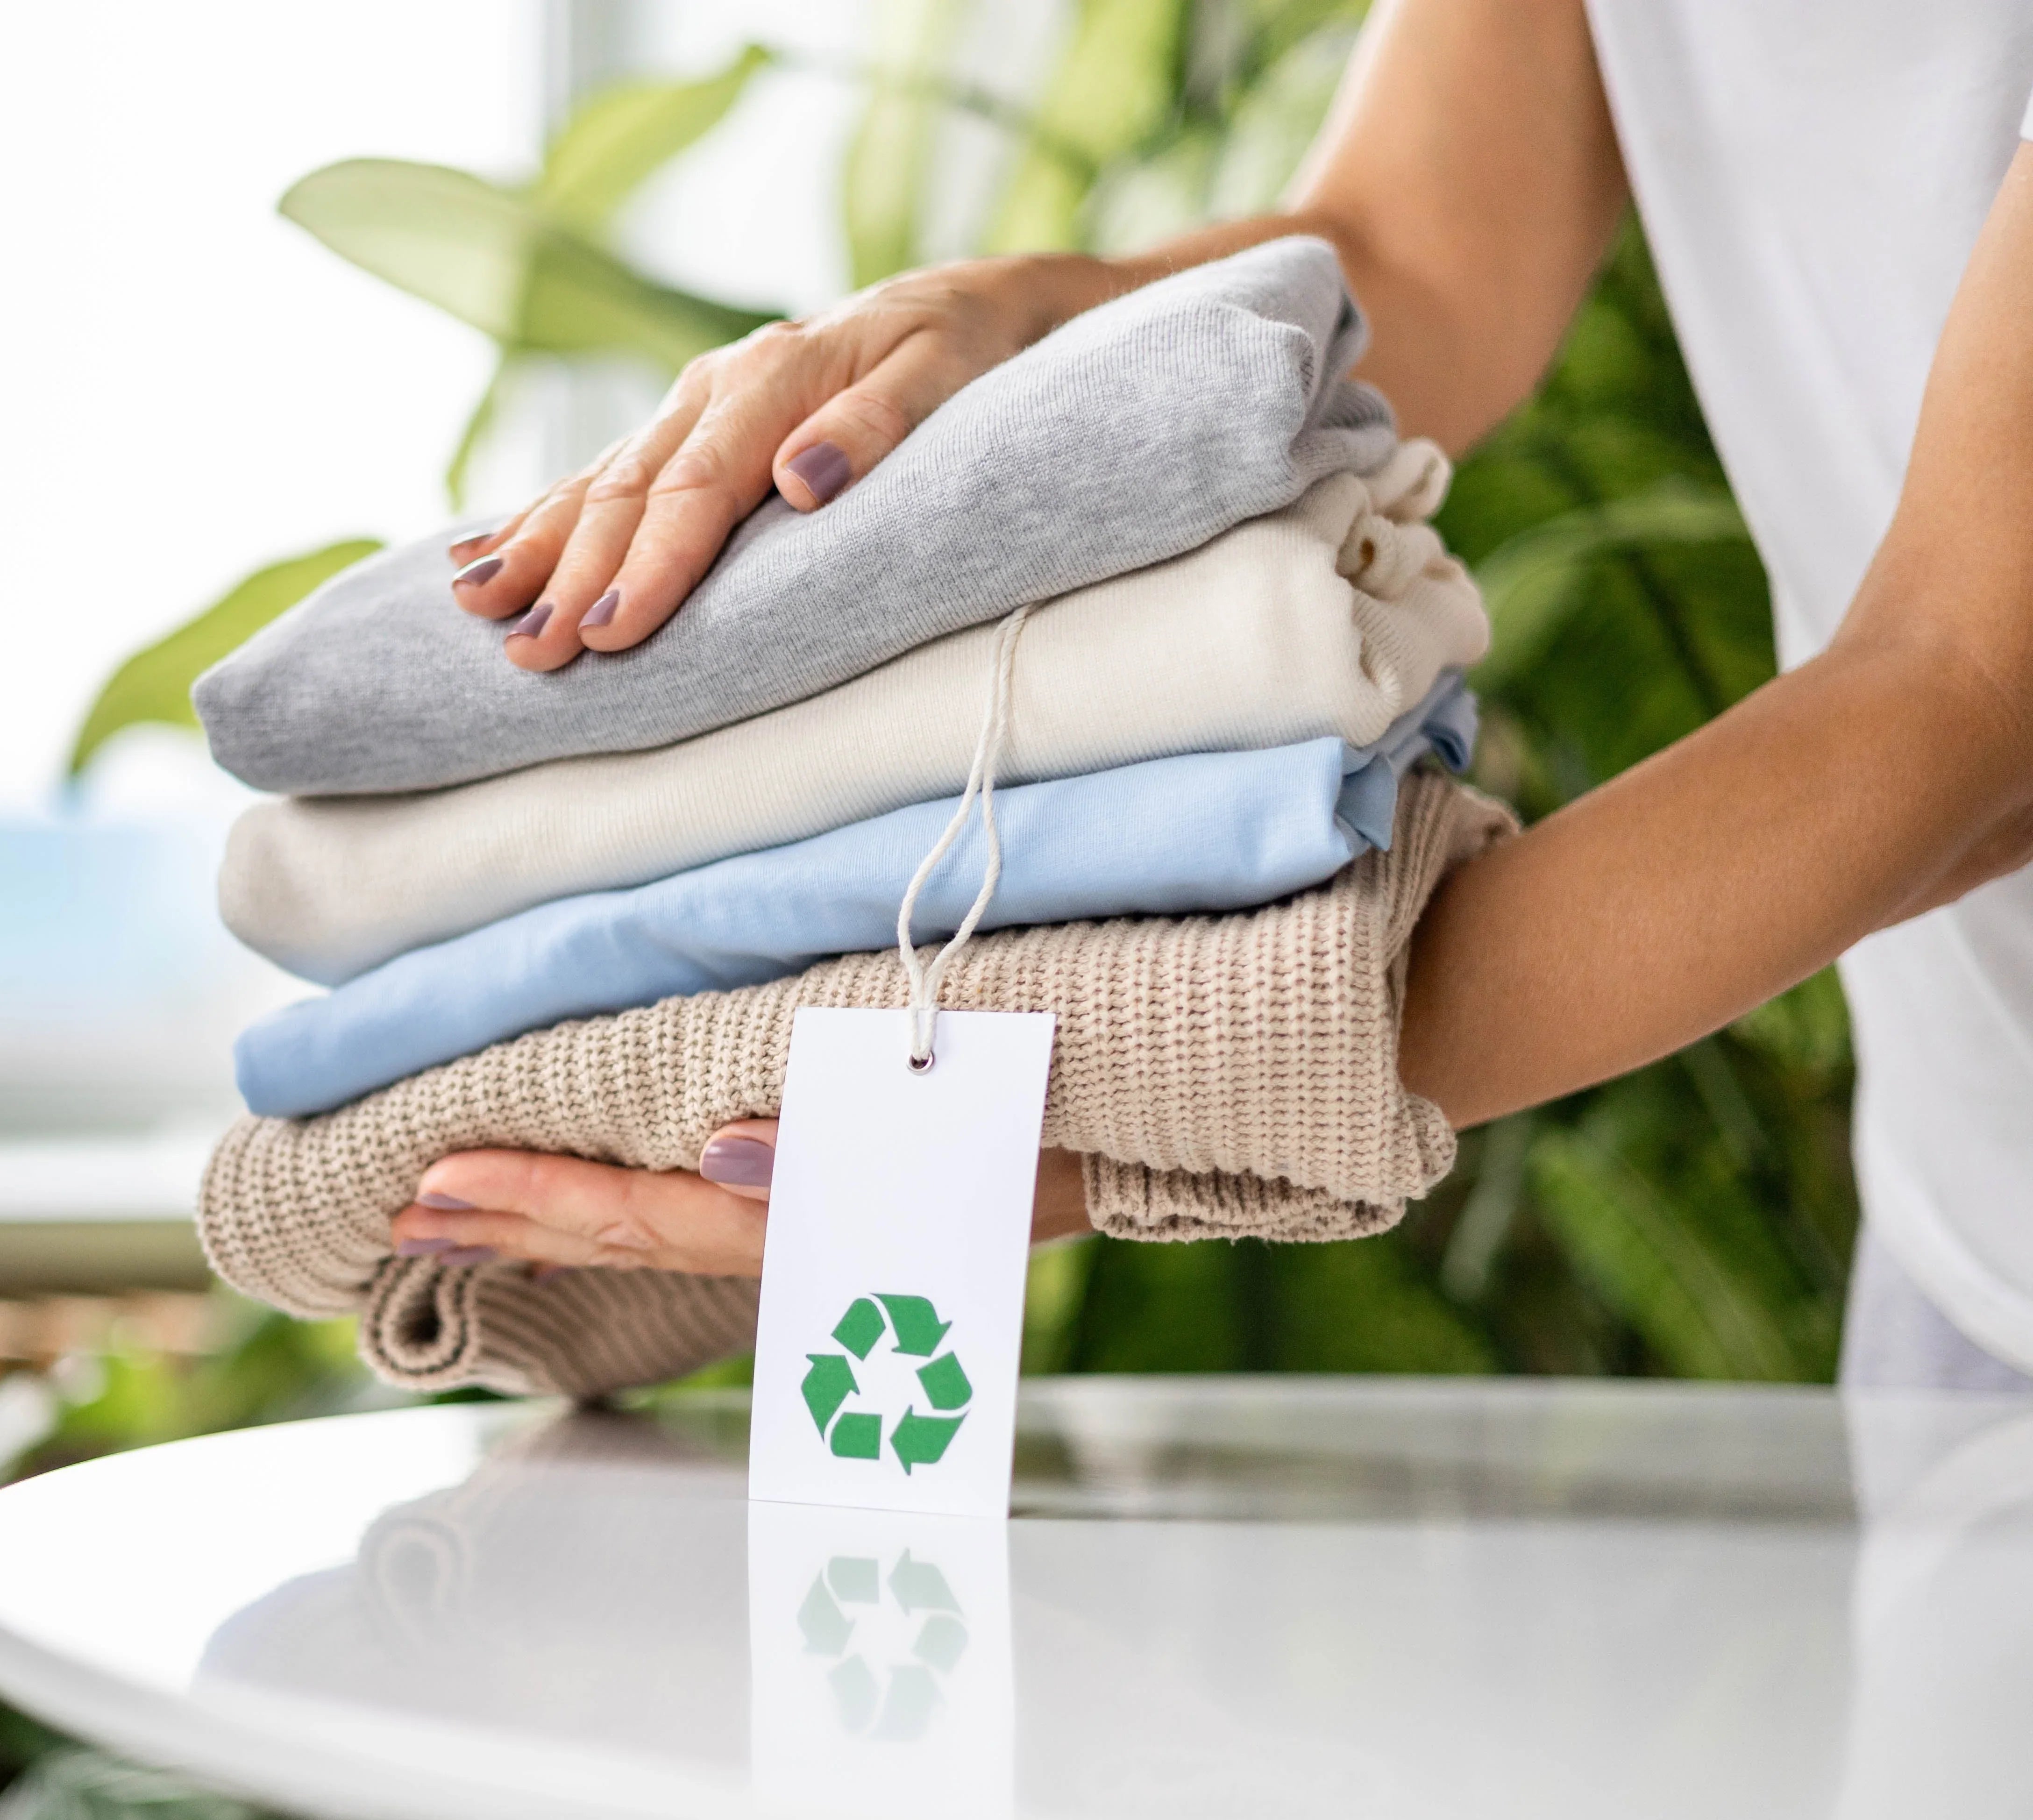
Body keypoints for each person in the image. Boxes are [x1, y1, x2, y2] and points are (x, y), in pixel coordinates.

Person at [383, 0, 2033, 1391]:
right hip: (1964, 1230)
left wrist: (1143, 1097)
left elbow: (1970, 691)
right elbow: (1426, 256)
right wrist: (1017, 323)